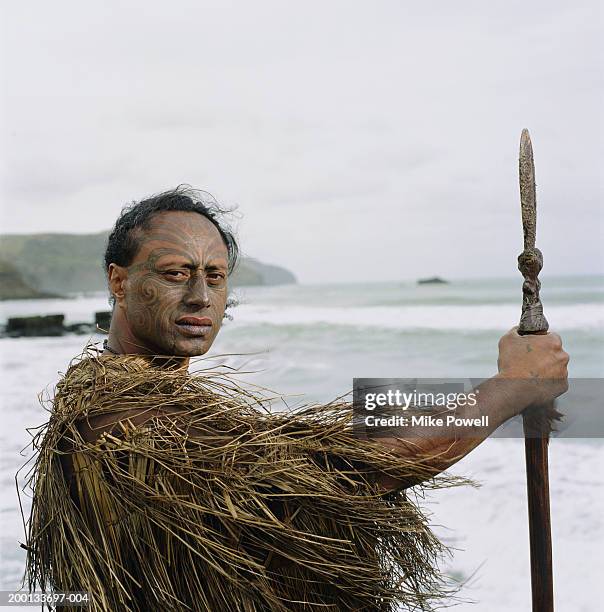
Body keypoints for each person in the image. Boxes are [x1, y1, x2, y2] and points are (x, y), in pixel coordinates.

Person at [25, 186, 569, 612]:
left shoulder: (151, 401)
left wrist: (497, 386)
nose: (200, 296)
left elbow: (327, 439)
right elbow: (344, 472)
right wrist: (511, 387)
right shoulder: (122, 417)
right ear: (118, 282)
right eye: (175, 274)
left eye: (215, 277)